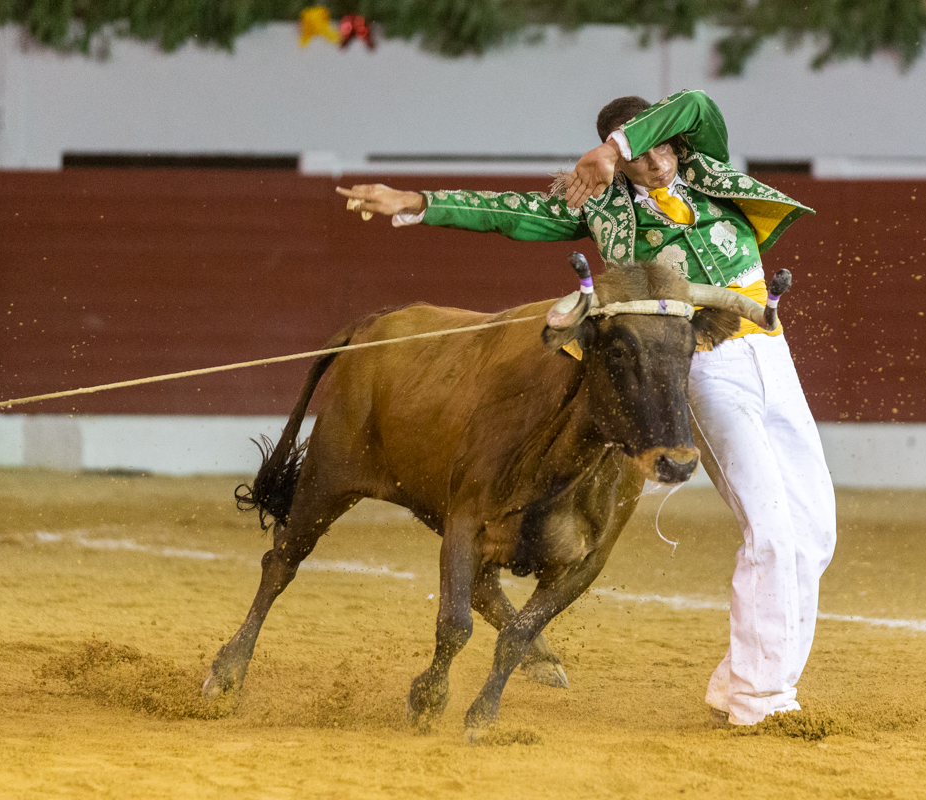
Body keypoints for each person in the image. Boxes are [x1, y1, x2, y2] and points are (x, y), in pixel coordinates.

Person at [336, 88, 837, 727]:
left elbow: (698, 103)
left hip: (771, 350)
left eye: (658, 147)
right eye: (636, 158)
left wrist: (613, 148)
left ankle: (744, 681)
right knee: (769, 528)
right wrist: (419, 202)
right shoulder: (601, 207)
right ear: (617, 172)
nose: (653, 164)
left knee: (815, 534)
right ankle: (761, 700)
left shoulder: (707, 165)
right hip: (697, 361)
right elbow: (509, 212)